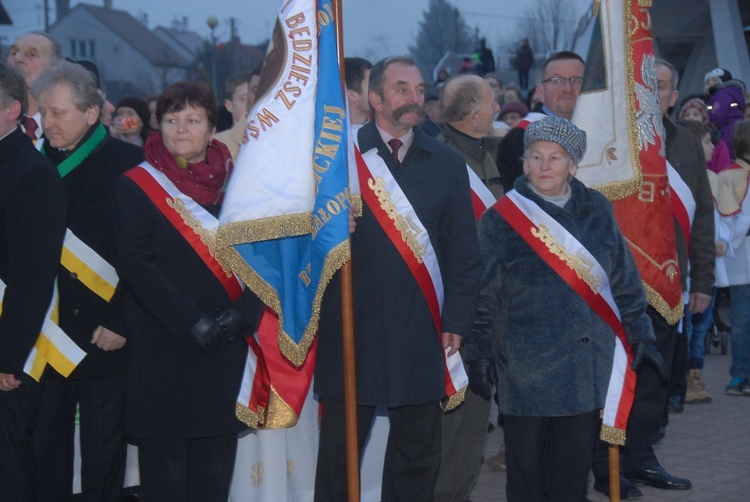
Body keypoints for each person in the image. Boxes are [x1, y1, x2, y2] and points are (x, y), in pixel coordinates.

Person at [314, 56, 482, 501]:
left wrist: (457, 321)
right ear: (374, 99)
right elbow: (301, 243)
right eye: (402, 88)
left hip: (419, 331)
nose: (415, 97)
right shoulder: (337, 158)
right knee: (338, 461)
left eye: (419, 88)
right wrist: (328, 232)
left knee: (416, 458)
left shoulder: (446, 162)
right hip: (352, 329)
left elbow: (464, 252)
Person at [472, 116, 661, 502]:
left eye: (555, 158)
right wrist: (479, 352)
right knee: (527, 478)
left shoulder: (597, 209)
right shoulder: (501, 219)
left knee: (570, 479)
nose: (544, 166)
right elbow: (483, 295)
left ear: (573, 165)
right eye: (536, 156)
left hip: (584, 368)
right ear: (524, 163)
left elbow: (624, 279)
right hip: (526, 369)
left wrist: (640, 330)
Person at [111, 81, 265, 501]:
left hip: (225, 349)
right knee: (166, 484)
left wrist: (243, 316)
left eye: (193, 119)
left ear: (213, 127)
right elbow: (136, 265)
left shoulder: (243, 185)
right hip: (164, 352)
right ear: (158, 126)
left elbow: (266, 260)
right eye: (172, 119)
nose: (181, 128)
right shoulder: (135, 186)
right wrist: (191, 321)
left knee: (213, 481)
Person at [32, 60, 144, 501]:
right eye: (43, 112)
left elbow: (142, 254)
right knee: (46, 454)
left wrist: (121, 319)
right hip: (43, 337)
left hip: (104, 335)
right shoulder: (30, 164)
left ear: (91, 114)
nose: (48, 122)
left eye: (58, 113)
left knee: (102, 457)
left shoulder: (128, 164)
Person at [0, 62, 67, 502]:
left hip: (9, 346)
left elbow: (33, 275)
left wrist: (8, 356)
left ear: (12, 110)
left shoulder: (31, 172)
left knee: (9, 463)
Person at [433, 74, 502, 502]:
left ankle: (458, 493)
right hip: (457, 313)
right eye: (492, 103)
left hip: (488, 306)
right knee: (452, 420)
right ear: (475, 114)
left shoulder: (483, 153)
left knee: (476, 419)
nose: (497, 109)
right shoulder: (441, 159)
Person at [679, 119, 731, 404]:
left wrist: (722, 238)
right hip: (686, 267)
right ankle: (684, 375)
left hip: (705, 270)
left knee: (702, 324)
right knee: (687, 325)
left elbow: (715, 218)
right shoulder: (681, 179)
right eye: (707, 142)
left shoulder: (710, 178)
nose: (713, 147)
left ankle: (695, 373)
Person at [496, 51, 585, 193]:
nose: (568, 88)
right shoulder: (518, 140)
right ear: (540, 91)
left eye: (577, 81)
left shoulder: (602, 134)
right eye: (557, 80)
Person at [716, 119, 750, 396]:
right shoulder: (727, 176)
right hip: (742, 258)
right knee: (741, 319)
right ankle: (740, 374)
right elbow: (726, 221)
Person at [6, 31, 61, 140]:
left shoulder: (68, 129)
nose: (18, 59)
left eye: (32, 55)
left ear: (54, 69)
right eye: (14, 52)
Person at [215, 70, 261, 161]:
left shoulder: (271, 140)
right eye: (244, 99)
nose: (250, 103)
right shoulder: (215, 144)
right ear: (229, 105)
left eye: (256, 97)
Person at [678, 96, 731, 173]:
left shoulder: (718, 144)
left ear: (704, 118)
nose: (691, 118)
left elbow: (724, 174)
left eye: (696, 114)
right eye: (687, 115)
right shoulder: (675, 141)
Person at [707, 77, 746, 160]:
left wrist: (709, 120)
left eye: (714, 80)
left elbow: (717, 116)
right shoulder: (734, 93)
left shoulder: (721, 94)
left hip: (727, 133)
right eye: (708, 82)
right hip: (737, 129)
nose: (710, 84)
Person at [345, 57, 373, 126]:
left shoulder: (388, 132)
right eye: (372, 83)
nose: (380, 89)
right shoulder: (326, 134)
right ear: (351, 95)